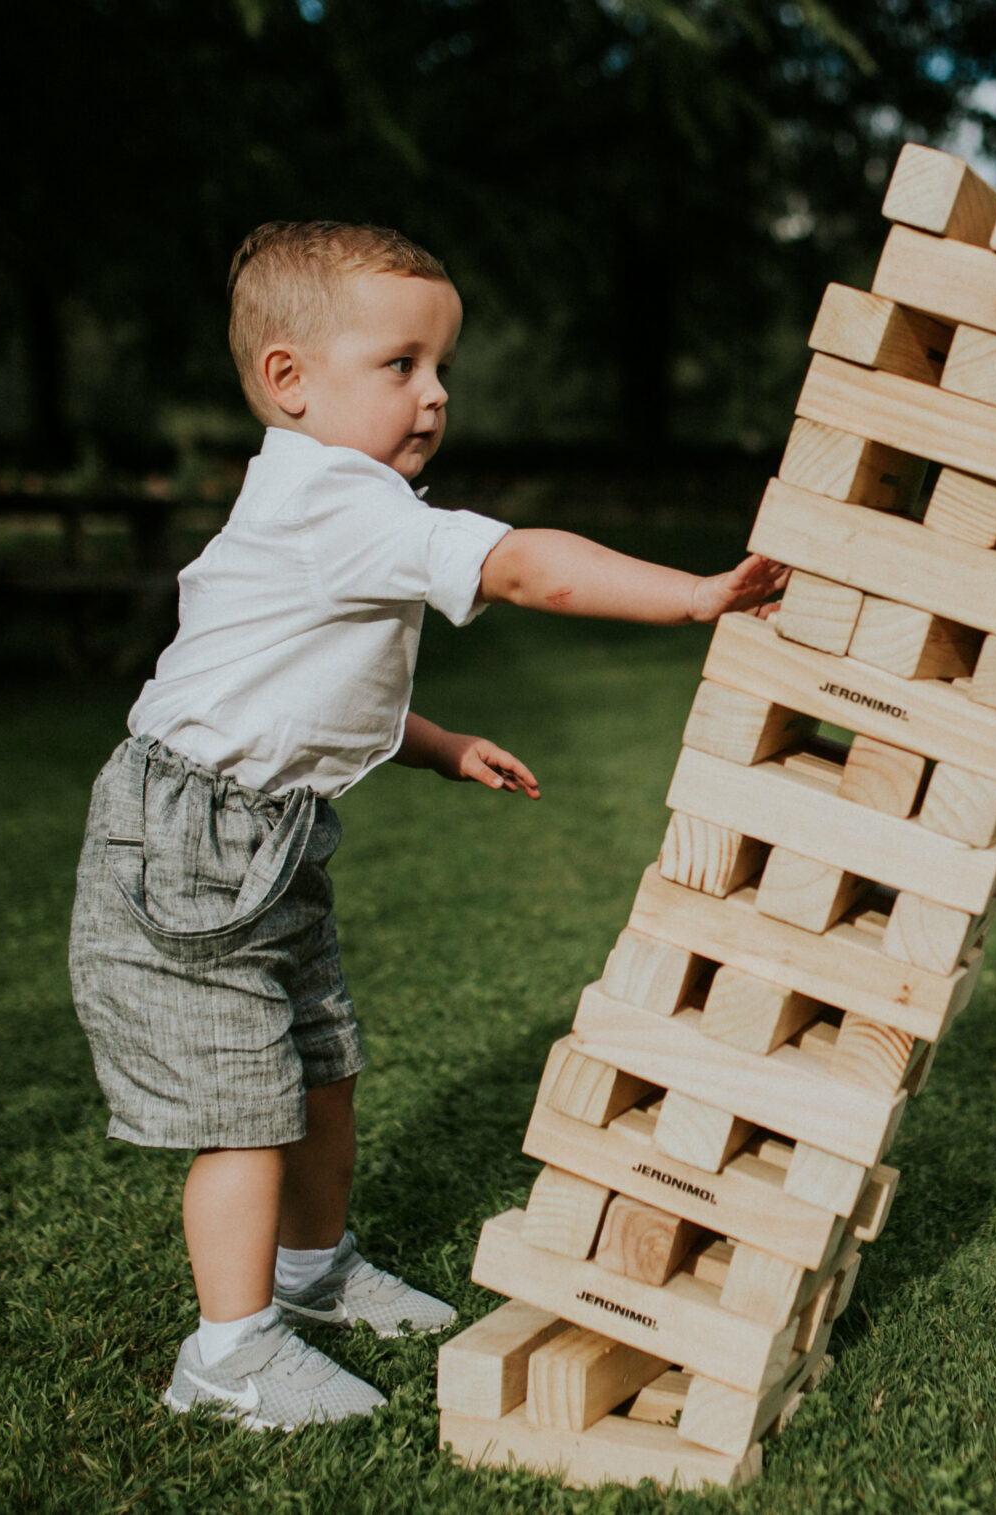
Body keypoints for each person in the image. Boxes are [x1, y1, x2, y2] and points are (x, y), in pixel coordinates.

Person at [67, 221, 786, 1429]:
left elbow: (300, 687)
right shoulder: (333, 499)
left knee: (321, 1067)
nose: (435, 395)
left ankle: (312, 1274)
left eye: (440, 367)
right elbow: (526, 569)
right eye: (401, 364)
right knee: (247, 1099)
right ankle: (227, 1355)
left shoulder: (332, 504)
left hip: (265, 836)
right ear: (289, 378)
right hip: (187, 844)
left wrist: (438, 744)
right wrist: (692, 597)